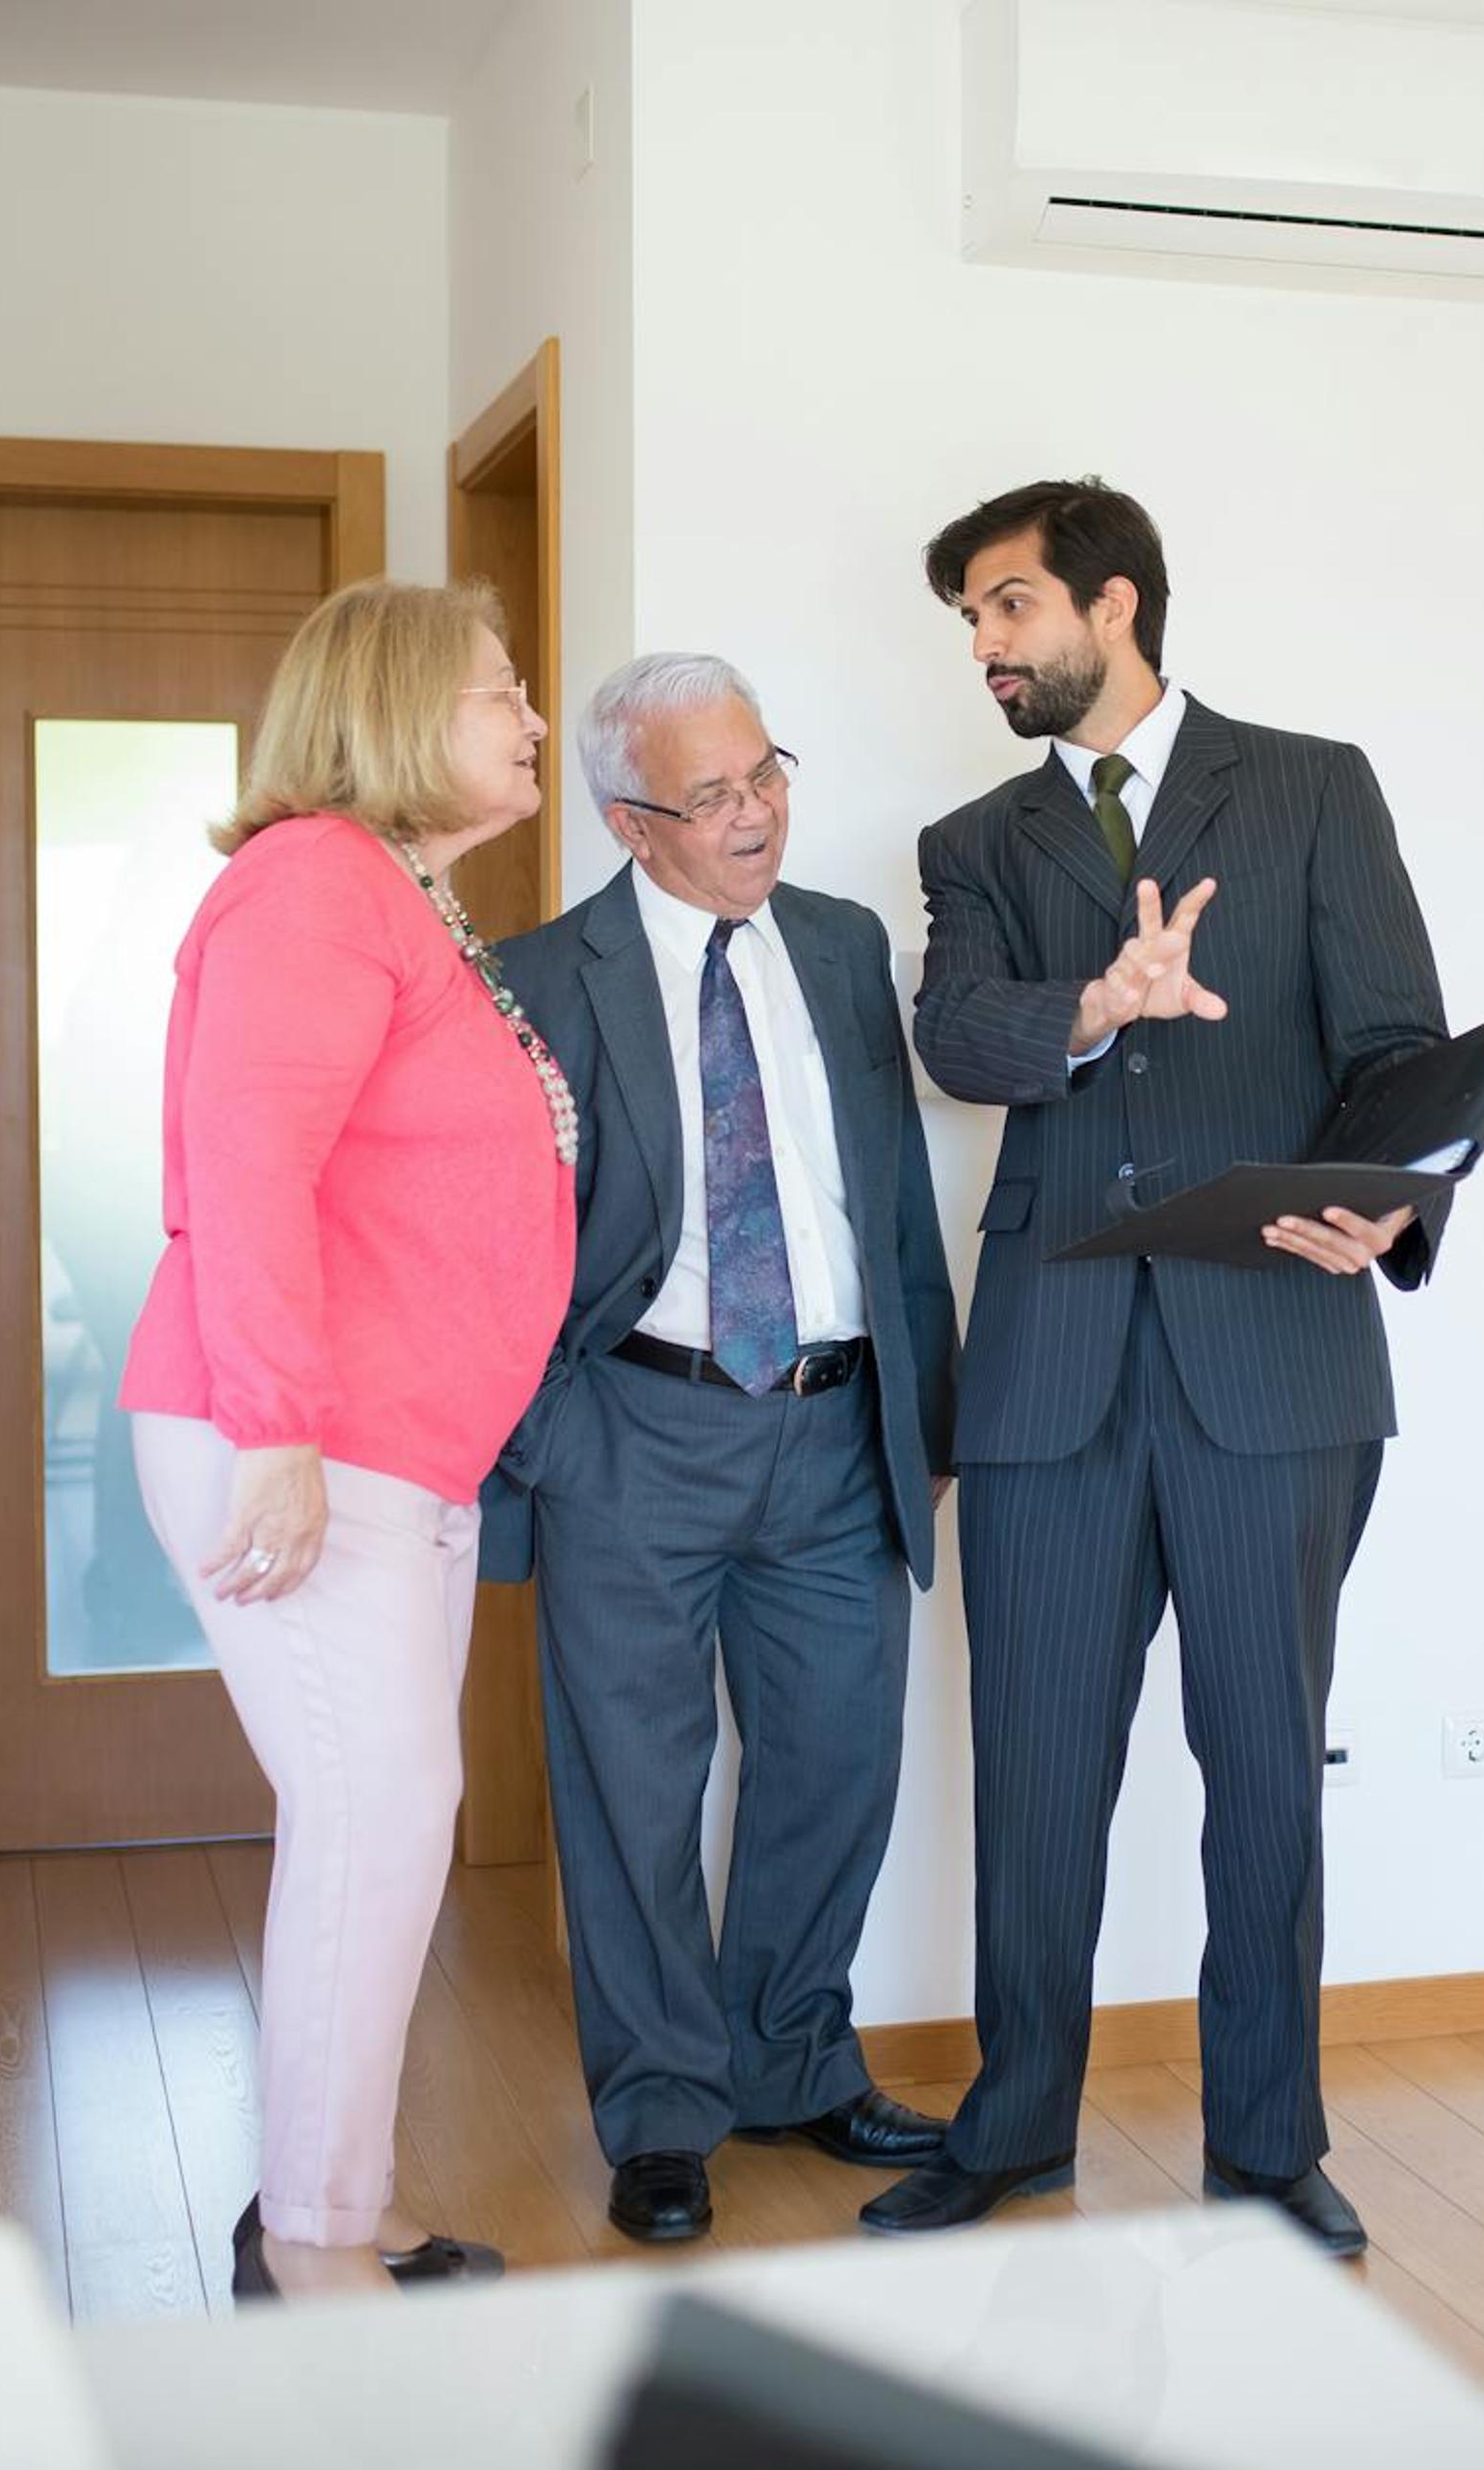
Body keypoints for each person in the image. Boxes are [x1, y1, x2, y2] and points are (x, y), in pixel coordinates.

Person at [861, 480, 1449, 2258]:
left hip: (1272, 1355)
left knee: (1266, 1767)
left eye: (1009, 606)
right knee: (1035, 1774)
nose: (983, 645)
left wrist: (1384, 1214)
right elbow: (956, 1039)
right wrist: (1101, 1004)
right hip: (1050, 1369)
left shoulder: (1310, 787)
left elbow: (1401, 1048)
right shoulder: (973, 844)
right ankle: (1018, 2123)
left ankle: (1268, 2147)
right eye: (969, 618)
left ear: (1115, 605)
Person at [116, 577, 578, 2300]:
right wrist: (284, 1433)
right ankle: (310, 2250)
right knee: (376, 1817)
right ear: (392, 717)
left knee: (387, 1823)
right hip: (298, 1437)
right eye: (498, 694)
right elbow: (246, 1175)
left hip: (401, 1449)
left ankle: (341, 2197)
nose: (530, 722)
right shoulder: (312, 884)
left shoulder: (407, 902)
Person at [484, 653, 962, 2244]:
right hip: (635, 1427)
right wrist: (547, 1435)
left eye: (767, 775)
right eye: (712, 796)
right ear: (631, 819)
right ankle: (664, 2110)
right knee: (633, 1787)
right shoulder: (542, 977)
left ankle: (791, 2062)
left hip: (832, 1423)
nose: (755, 814)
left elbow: (889, 1203)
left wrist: (924, 1412)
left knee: (836, 1760)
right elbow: (493, 1243)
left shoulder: (839, 946)